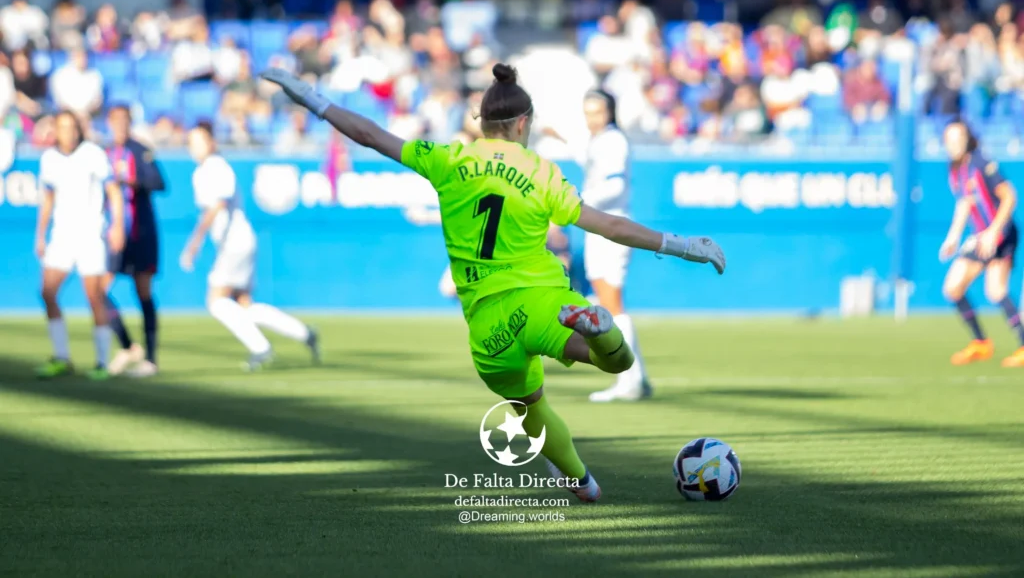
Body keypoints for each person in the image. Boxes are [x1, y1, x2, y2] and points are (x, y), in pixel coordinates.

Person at [263, 64, 726, 502]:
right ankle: (598, 331)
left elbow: (370, 135)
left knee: (529, 407)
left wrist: (313, 101)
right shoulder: (542, 171)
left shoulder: (448, 158)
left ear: (482, 121)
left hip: (487, 322)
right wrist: (680, 244)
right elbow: (609, 225)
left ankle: (584, 484)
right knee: (617, 362)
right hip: (544, 300)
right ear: (523, 123)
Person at [180, 122, 321, 370]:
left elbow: (217, 205)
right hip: (236, 241)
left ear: (211, 142)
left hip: (234, 242)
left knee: (216, 301)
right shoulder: (202, 171)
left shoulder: (216, 167)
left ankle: (260, 347)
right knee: (244, 303)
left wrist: (194, 243)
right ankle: (303, 333)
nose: (195, 147)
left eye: (199, 140)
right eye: (191, 142)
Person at [35, 110, 125, 380]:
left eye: (72, 127)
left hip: (90, 234)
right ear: (56, 130)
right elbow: (48, 199)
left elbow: (113, 190)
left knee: (95, 296)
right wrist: (40, 234)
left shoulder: (93, 154)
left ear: (79, 129)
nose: (69, 132)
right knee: (48, 292)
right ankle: (62, 357)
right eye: (63, 127)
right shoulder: (49, 159)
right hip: (62, 235)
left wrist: (117, 224)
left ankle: (101, 362)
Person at [578, 90, 651, 401]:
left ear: (610, 112)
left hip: (611, 224)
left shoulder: (613, 140)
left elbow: (615, 183)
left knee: (611, 302)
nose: (592, 117)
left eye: (597, 111)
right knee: (605, 298)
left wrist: (580, 204)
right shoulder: (598, 141)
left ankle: (628, 378)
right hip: (599, 226)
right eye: (588, 111)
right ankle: (637, 377)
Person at [939, 121, 1024, 367]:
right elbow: (965, 203)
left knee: (995, 291)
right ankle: (981, 343)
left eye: (958, 138)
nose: (954, 144)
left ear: (968, 139)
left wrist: (993, 231)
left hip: (1001, 234)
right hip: (980, 236)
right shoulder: (955, 169)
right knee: (953, 288)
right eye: (949, 139)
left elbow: (1009, 197)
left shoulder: (981, 163)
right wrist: (953, 236)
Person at [103, 106, 166, 378]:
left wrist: (133, 179)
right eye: (114, 121)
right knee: (98, 291)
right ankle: (128, 345)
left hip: (140, 231)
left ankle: (151, 358)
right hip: (113, 233)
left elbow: (159, 182)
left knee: (143, 292)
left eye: (123, 121)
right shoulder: (103, 153)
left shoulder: (140, 151)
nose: (119, 126)